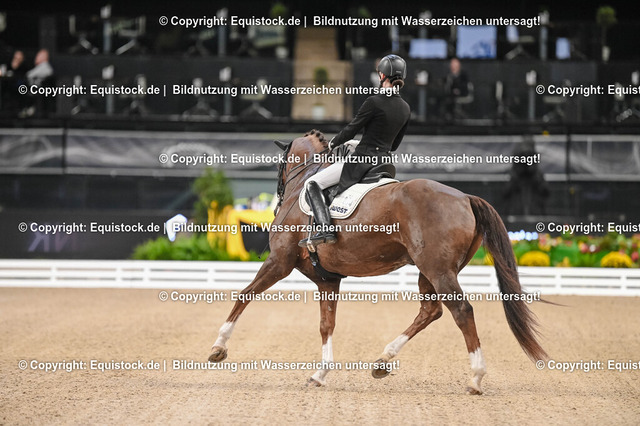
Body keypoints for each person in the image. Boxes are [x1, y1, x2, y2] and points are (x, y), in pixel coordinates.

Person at [298, 54, 411, 248]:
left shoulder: (374, 101)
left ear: (382, 75)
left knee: (312, 183)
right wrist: (359, 144)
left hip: (361, 162)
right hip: (384, 163)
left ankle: (325, 229)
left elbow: (351, 129)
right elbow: (393, 146)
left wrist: (333, 144)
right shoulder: (406, 108)